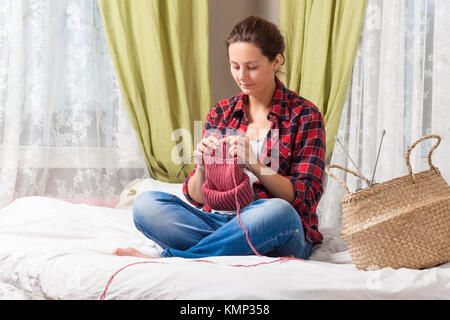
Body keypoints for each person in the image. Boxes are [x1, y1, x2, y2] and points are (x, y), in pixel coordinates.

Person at [113, 15, 326, 260]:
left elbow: (305, 198)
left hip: (275, 226)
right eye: (235, 66)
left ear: (276, 61)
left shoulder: (304, 115)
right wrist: (202, 166)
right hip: (220, 221)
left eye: (252, 66)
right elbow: (197, 197)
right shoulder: (222, 112)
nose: (242, 76)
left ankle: (172, 259)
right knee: (147, 205)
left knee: (278, 211)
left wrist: (255, 165)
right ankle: (228, 247)